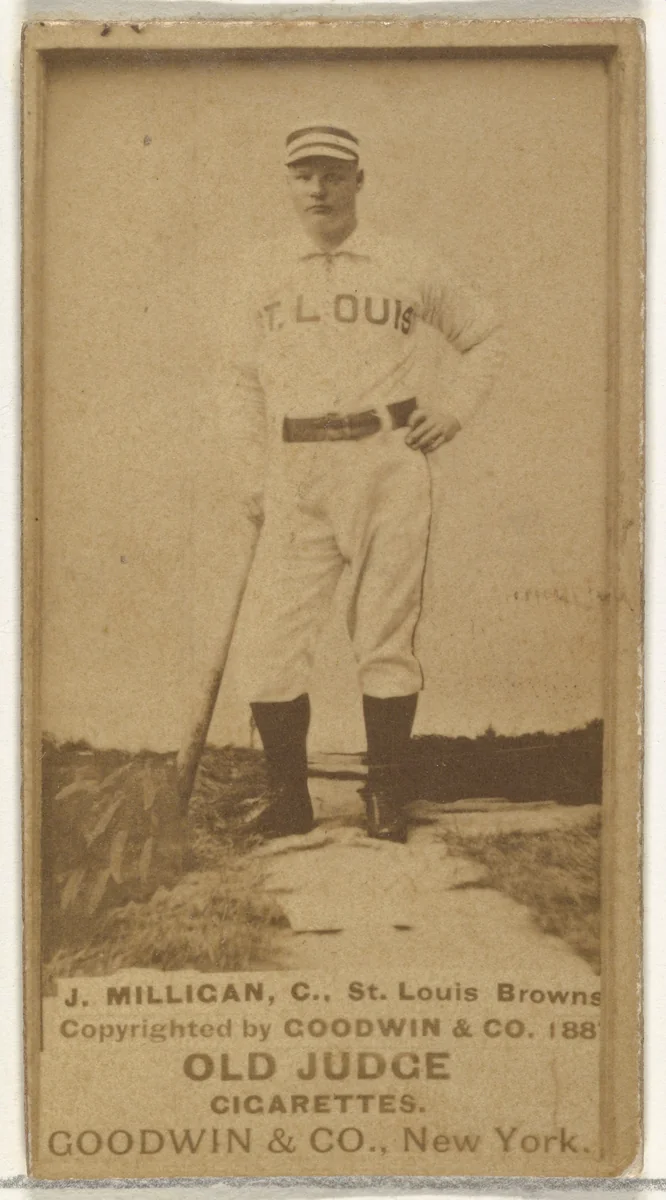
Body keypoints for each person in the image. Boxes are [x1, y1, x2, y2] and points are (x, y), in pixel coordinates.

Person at [225, 122, 504, 842]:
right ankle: (288, 798)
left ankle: (387, 794)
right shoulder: (259, 270)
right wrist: (251, 469)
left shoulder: (405, 262)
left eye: (332, 174)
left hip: (385, 460)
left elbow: (483, 333)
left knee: (384, 634)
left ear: (358, 180)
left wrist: (455, 410)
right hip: (296, 468)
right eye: (302, 176)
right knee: (272, 642)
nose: (317, 188)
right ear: (288, 183)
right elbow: (236, 380)